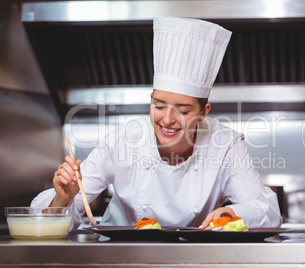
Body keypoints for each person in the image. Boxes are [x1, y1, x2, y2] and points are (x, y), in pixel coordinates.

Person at [31, 17, 282, 230]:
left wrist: (234, 213)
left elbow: (268, 211)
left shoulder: (225, 145)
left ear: (204, 112)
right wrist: (62, 199)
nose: (168, 120)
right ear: (150, 99)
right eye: (159, 106)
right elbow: (52, 219)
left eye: (182, 110)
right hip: (120, 257)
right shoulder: (123, 141)